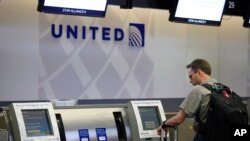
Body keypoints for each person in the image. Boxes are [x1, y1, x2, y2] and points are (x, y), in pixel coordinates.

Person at [156, 58, 217, 141]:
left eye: (191, 76)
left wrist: (164, 124)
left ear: (199, 72)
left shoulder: (198, 90)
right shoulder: (225, 89)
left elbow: (178, 120)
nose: (190, 81)